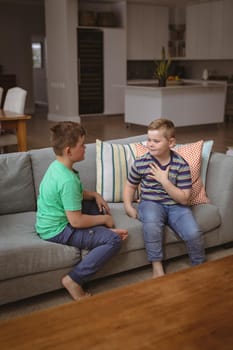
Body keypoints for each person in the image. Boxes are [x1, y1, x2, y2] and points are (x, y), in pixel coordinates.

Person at [36, 121, 128, 301]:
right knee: (113, 241)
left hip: (54, 219)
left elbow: (74, 195)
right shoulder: (67, 180)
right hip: (58, 230)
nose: (86, 148)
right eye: (82, 145)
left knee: (97, 205)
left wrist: (94, 194)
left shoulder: (57, 166)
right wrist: (105, 221)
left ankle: (99, 233)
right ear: (69, 151)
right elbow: (76, 222)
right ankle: (73, 280)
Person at [123, 118, 205, 278]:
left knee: (193, 232)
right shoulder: (141, 163)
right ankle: (157, 265)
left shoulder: (181, 165)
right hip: (150, 203)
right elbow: (130, 185)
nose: (150, 144)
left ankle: (199, 264)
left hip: (177, 206)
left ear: (171, 142)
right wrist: (128, 206)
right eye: (148, 140)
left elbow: (184, 199)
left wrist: (164, 181)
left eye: (156, 141)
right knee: (152, 226)